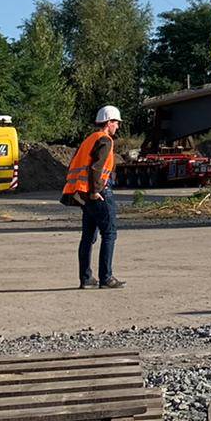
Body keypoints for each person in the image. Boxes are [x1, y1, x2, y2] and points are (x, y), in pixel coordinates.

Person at [67, 105, 125, 289]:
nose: (117, 126)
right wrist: (96, 191)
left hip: (83, 193)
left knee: (88, 237)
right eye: (116, 122)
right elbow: (96, 168)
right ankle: (106, 278)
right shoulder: (105, 140)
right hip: (98, 192)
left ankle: (86, 279)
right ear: (108, 123)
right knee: (109, 234)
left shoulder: (89, 139)